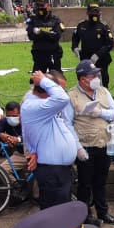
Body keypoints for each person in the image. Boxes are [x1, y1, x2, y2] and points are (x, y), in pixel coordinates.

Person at [70, 59, 114, 226]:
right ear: (82, 78)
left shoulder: (103, 91)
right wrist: (78, 148)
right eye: (93, 75)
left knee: (101, 181)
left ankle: (103, 212)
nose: (96, 77)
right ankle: (83, 216)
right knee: (85, 184)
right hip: (85, 146)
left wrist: (101, 113)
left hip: (104, 143)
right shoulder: (71, 96)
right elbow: (67, 124)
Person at [22, 69, 79, 209]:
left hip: (57, 170)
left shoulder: (42, 104)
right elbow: (63, 98)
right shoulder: (35, 105)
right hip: (51, 171)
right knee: (56, 213)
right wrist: (43, 80)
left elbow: (27, 132)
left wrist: (32, 150)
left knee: (61, 210)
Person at [72, 2, 114, 87]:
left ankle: (104, 96)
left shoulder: (104, 26)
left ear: (99, 13)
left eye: (96, 12)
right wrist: (75, 47)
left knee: (103, 81)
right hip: (86, 58)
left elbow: (109, 43)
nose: (95, 14)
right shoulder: (81, 25)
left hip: (101, 59)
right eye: (92, 12)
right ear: (87, 13)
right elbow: (75, 38)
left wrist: (98, 55)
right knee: (86, 81)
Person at [25, 0, 65, 72]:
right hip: (39, 55)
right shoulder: (32, 20)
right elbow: (31, 36)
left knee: (57, 80)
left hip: (53, 55)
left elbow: (56, 36)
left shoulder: (56, 20)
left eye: (42, 6)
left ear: (48, 6)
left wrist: (40, 32)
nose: (39, 8)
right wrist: (49, 34)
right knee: (34, 81)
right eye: (37, 6)